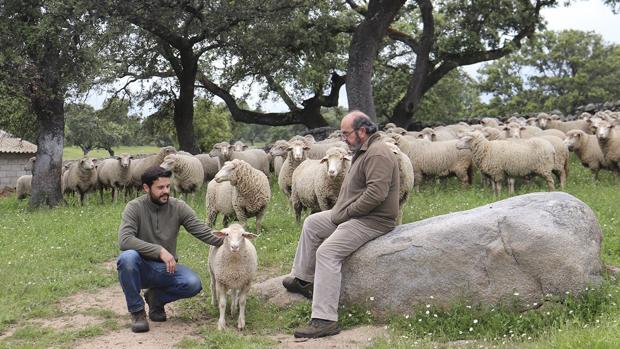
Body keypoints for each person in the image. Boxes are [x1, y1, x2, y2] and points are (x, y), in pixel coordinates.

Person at [282, 110, 401, 338]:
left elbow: (376, 194)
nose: (344, 138)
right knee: (313, 222)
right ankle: (304, 279)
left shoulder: (378, 153)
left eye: (347, 133)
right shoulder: (363, 150)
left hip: (373, 220)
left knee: (327, 252)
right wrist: (342, 212)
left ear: (362, 131)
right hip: (353, 214)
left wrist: (346, 213)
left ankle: (325, 319)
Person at [116, 165, 223, 333]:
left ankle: (156, 299)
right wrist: (159, 250)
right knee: (127, 258)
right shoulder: (134, 207)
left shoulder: (178, 207)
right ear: (146, 188)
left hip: (166, 268)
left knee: (193, 283)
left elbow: (203, 231)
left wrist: (233, 240)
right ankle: (137, 312)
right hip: (140, 268)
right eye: (160, 187)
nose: (166, 191)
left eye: (167, 186)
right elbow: (125, 240)